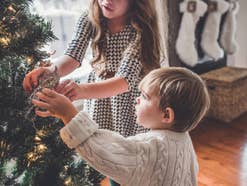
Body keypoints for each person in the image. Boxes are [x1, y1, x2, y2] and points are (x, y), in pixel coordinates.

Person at [32, 67, 210, 186]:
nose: (137, 99)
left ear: (166, 115)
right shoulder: (183, 138)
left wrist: (68, 114)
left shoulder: (151, 147)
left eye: (145, 96)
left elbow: (102, 151)